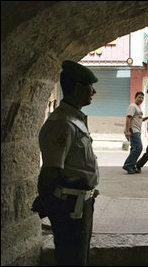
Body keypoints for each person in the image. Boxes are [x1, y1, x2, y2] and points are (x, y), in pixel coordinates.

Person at [31, 60, 100, 265]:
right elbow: (51, 171)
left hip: (81, 203)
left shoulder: (74, 119)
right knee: (71, 257)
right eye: (90, 87)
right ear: (77, 87)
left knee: (79, 256)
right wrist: (53, 207)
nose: (93, 92)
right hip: (70, 205)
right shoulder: (61, 123)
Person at [122, 91, 148, 174]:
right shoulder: (132, 106)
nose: (141, 99)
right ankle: (128, 165)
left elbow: (139, 119)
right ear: (135, 98)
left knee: (134, 148)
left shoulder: (138, 108)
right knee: (138, 147)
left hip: (137, 130)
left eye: (142, 98)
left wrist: (146, 118)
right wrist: (127, 130)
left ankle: (132, 166)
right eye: (139, 97)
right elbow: (128, 118)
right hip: (132, 130)